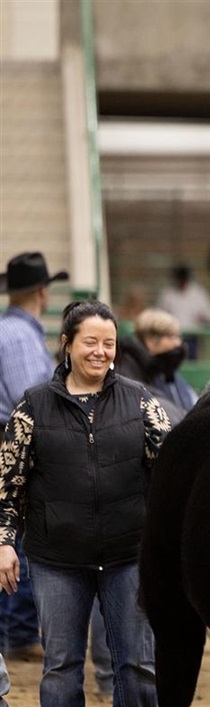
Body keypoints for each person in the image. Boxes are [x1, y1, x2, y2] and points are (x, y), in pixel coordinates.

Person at [0, 299, 172, 707]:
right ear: (67, 344)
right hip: (56, 560)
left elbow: (172, 473)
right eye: (90, 341)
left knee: (136, 667)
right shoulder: (32, 407)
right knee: (61, 667)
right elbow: (9, 486)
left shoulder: (140, 403)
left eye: (109, 343)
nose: (100, 351)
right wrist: (4, 542)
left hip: (128, 556)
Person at [0, 252, 69, 666]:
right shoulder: (21, 336)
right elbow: (31, 398)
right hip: (17, 438)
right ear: (42, 292)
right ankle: (20, 630)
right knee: (21, 530)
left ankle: (14, 628)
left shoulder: (9, 329)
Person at [116, 308, 198, 425]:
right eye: (171, 337)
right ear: (151, 340)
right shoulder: (125, 367)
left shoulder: (166, 370)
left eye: (178, 337)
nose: (178, 344)